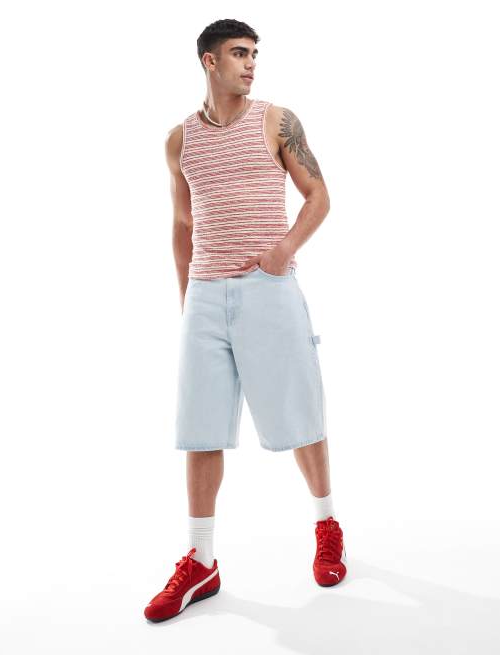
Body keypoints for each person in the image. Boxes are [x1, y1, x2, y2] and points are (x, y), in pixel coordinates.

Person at [144, 19, 347, 623]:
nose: (251, 63)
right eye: (239, 53)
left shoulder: (276, 122)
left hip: (268, 289)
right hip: (206, 295)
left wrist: (283, 251)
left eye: (255, 53)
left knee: (300, 414)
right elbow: (183, 224)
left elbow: (319, 195)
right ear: (209, 61)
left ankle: (327, 524)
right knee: (200, 428)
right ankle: (201, 560)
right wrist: (188, 297)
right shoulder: (179, 140)